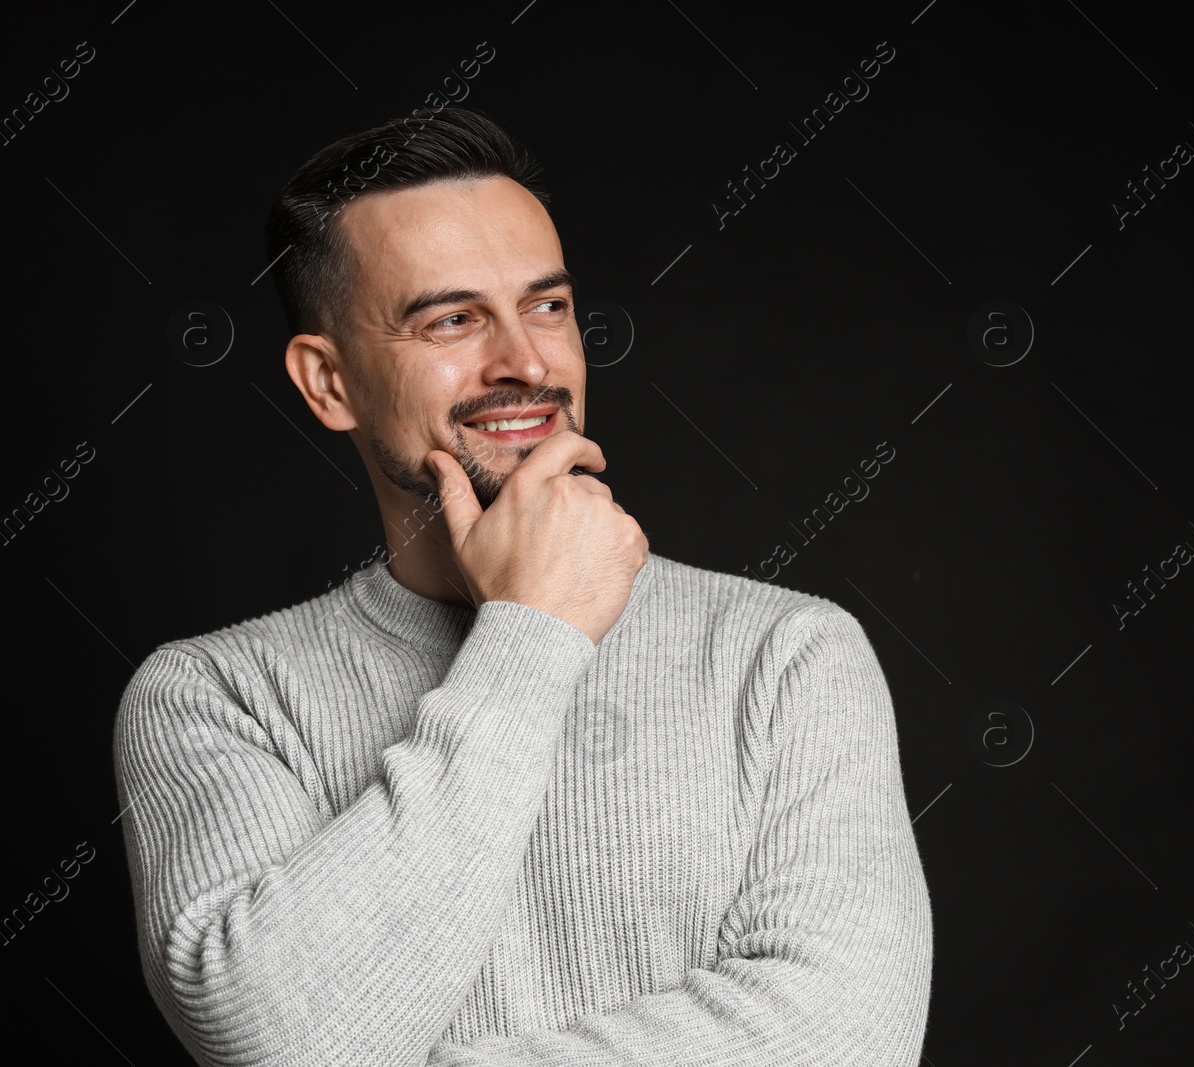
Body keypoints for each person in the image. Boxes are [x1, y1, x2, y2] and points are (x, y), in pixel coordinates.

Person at [113, 106, 933, 1066]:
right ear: (328, 382)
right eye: (453, 319)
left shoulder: (787, 655)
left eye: (546, 306)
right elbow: (278, 1038)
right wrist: (531, 632)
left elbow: (848, 1035)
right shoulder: (214, 698)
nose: (528, 363)